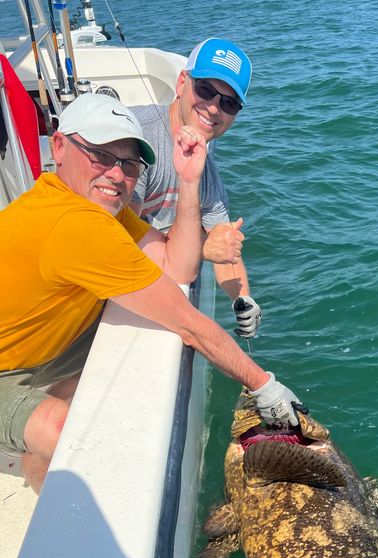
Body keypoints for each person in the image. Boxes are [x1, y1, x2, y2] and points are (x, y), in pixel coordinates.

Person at [0, 93, 302, 493]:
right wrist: (264, 385)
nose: (115, 174)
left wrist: (189, 180)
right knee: (71, 438)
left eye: (128, 164)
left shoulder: (104, 210)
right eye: (99, 155)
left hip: (44, 348)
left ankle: (37, 463)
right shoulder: (75, 224)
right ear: (59, 146)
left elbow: (178, 266)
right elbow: (188, 323)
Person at [130, 38, 262, 339]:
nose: (214, 108)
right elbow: (119, 237)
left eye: (229, 103)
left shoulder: (205, 160)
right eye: (205, 90)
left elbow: (225, 244)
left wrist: (242, 299)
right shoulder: (137, 139)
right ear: (181, 83)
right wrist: (202, 248)